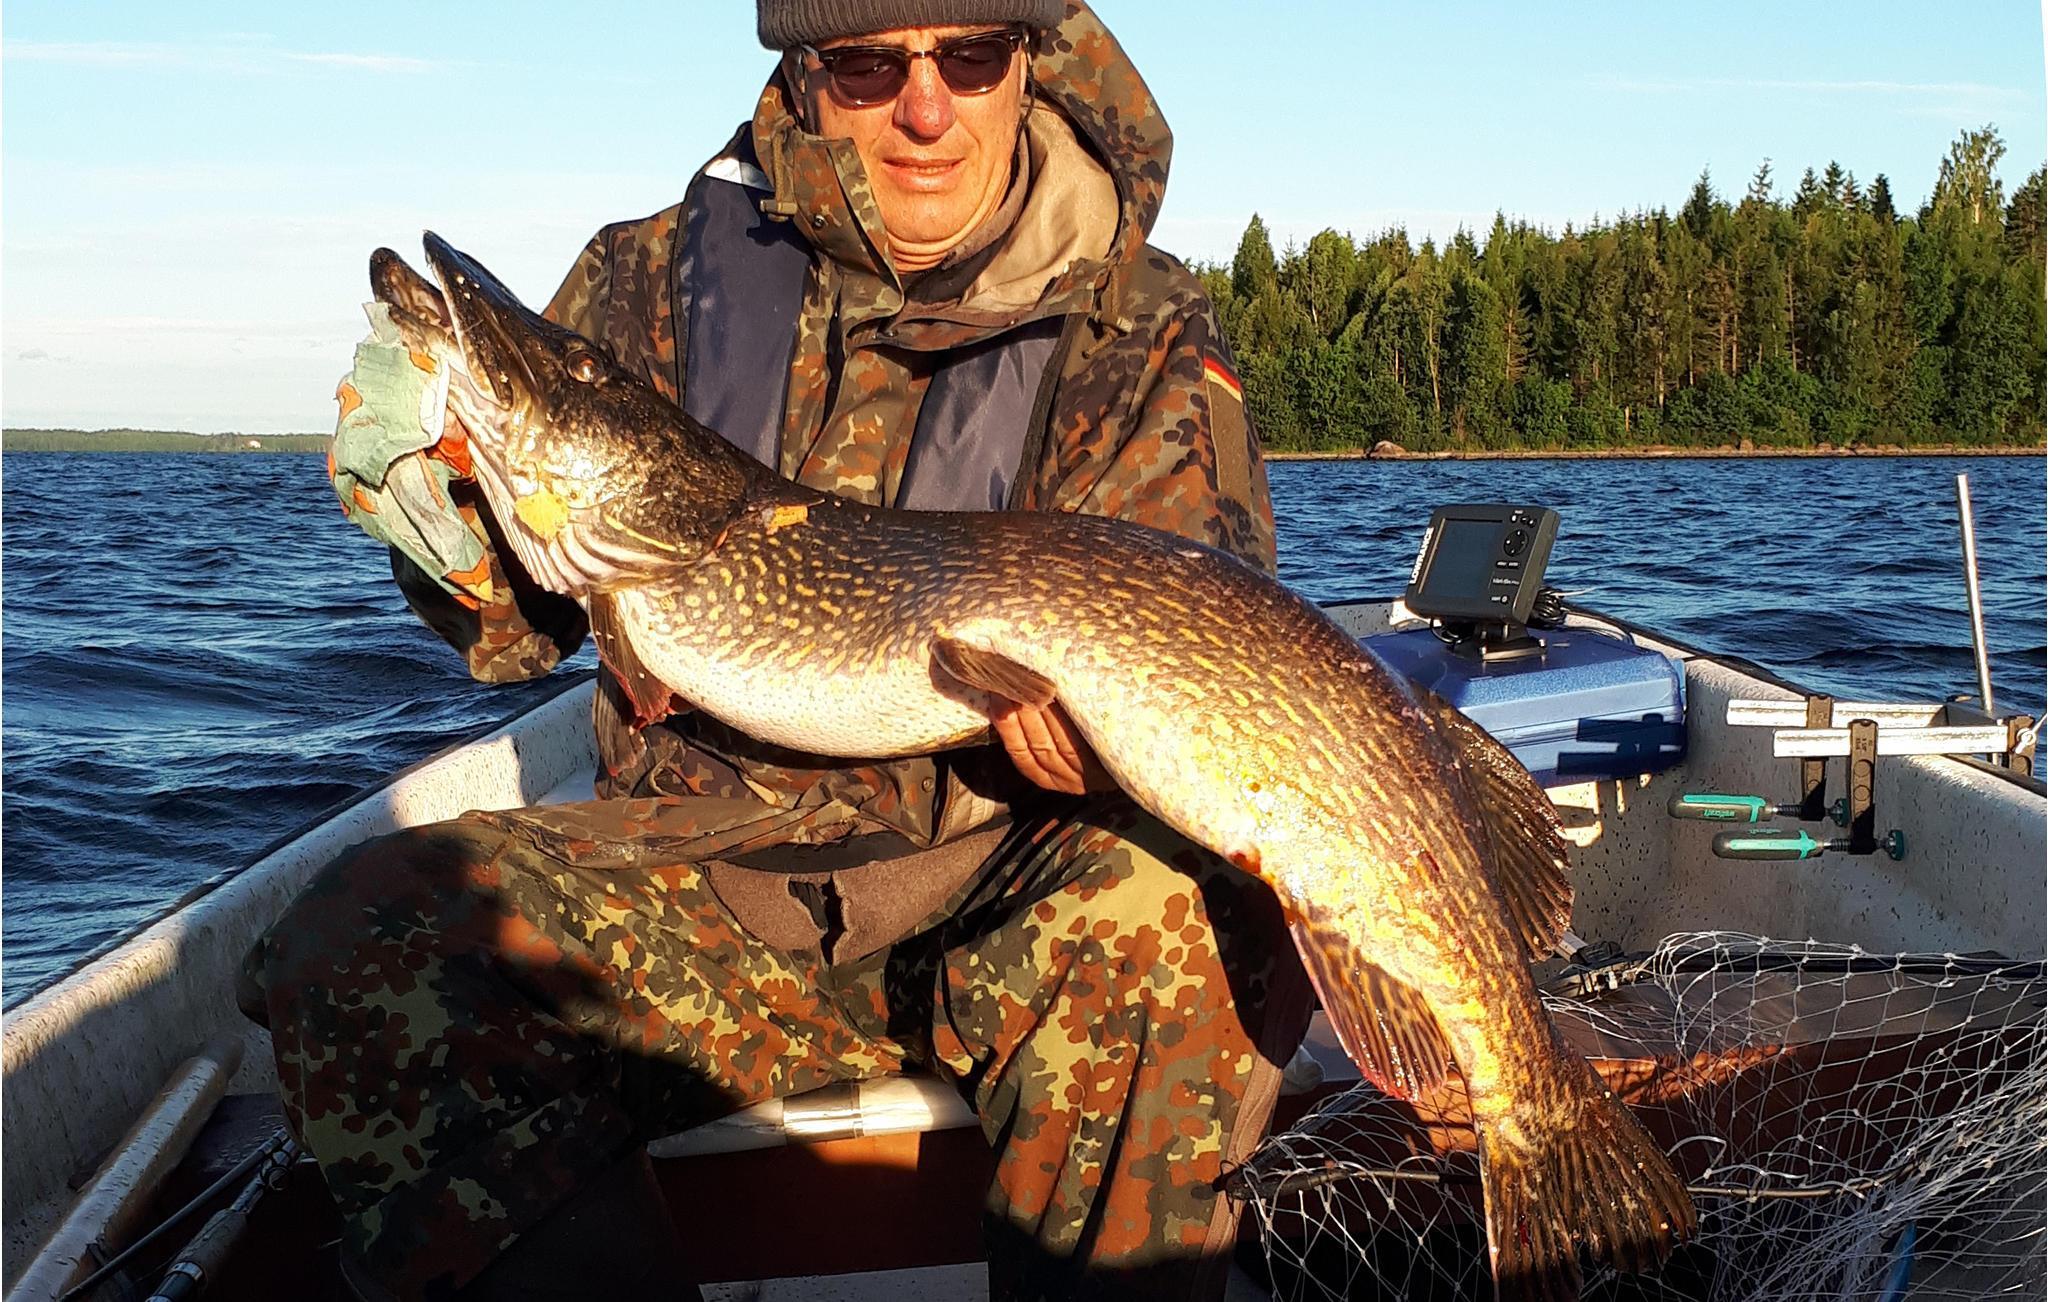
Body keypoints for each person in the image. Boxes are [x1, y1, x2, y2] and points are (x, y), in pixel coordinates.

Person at [246, 3, 1310, 1299]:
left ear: (1027, 63)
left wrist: (1111, 750)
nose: (927, 108)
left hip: (1006, 885)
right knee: (362, 939)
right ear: (803, 73)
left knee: (1184, 908)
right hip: (702, 892)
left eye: (970, 56)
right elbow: (516, 629)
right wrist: (447, 506)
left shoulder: (1136, 326)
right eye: (868, 64)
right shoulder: (649, 279)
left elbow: (1209, 645)